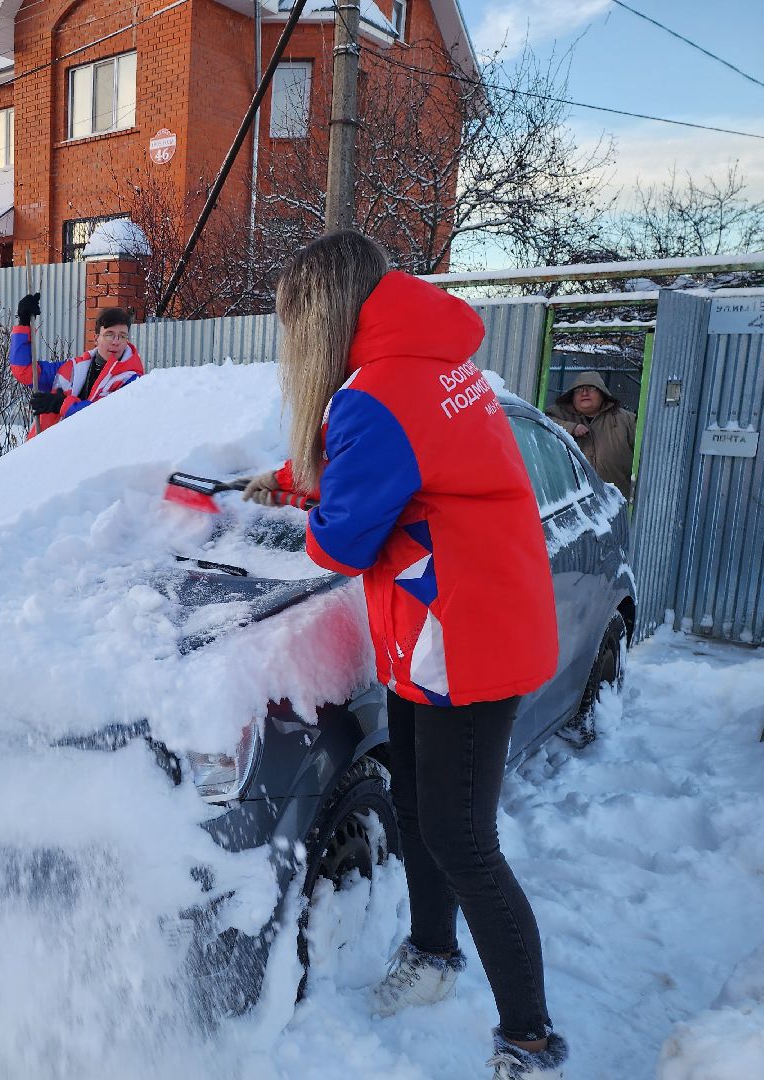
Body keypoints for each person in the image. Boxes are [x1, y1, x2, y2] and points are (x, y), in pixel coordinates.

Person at [242, 232, 568, 1080]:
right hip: (457, 622)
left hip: (464, 635)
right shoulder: (424, 363)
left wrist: (301, 512)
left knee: (463, 839)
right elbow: (394, 463)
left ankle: (528, 1041)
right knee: (424, 813)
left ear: (322, 315)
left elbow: (342, 543)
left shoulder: (378, 393)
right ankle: (432, 955)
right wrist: (292, 476)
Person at [9, 295, 144, 439]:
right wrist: (24, 324)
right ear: (96, 338)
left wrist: (62, 405)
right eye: (109, 335)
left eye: (122, 336)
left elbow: (107, 418)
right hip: (46, 452)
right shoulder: (72, 368)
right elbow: (24, 371)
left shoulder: (132, 381)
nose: (116, 342)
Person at [546, 370, 636, 497]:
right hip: (572, 501)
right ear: (572, 396)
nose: (584, 393)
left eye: (591, 388)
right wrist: (570, 427)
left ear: (602, 393)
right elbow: (540, 423)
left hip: (617, 501)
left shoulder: (627, 420)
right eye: (578, 390)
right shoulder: (557, 414)